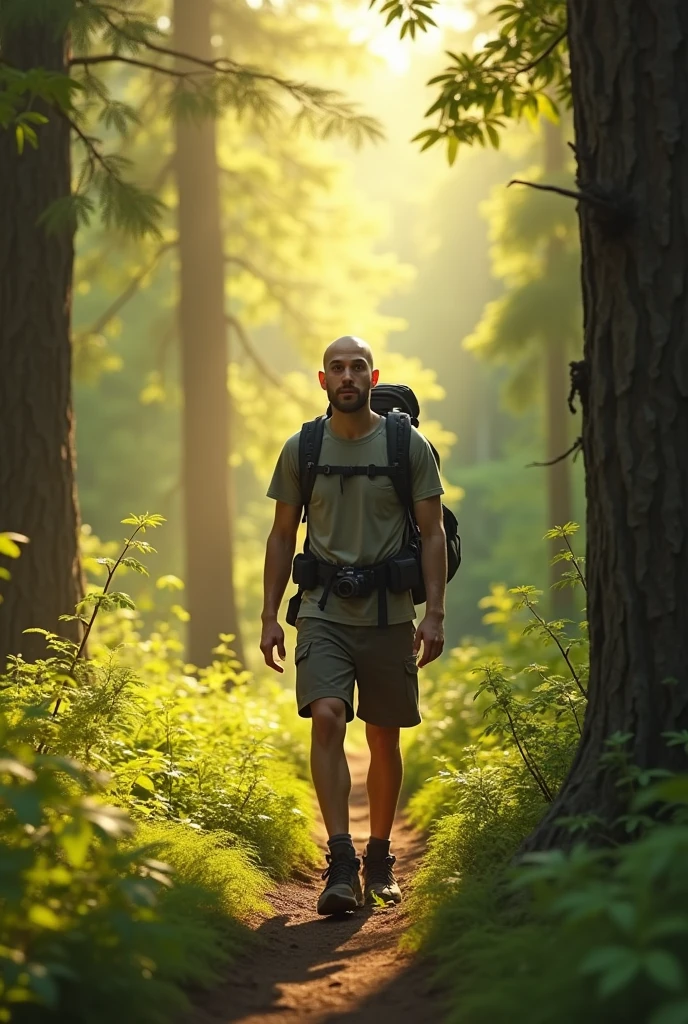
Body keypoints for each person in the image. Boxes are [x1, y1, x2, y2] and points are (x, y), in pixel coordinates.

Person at [260, 335, 447, 915]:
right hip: (322, 611)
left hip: (392, 615)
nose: (347, 376)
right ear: (323, 381)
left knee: (384, 736)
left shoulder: (407, 446)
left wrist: (435, 612)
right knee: (326, 716)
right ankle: (340, 861)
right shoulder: (302, 448)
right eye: (336, 368)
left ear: (372, 375)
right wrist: (269, 615)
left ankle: (381, 858)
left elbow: (434, 532)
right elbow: (281, 535)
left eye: (357, 367)